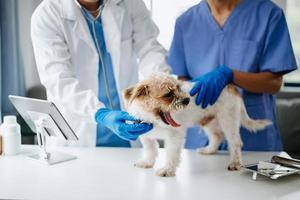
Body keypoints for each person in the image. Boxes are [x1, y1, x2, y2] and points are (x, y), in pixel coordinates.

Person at [31, 0, 170, 147]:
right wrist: (100, 114)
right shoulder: (47, 14)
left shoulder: (131, 3)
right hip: (77, 135)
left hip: (129, 133)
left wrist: (164, 84)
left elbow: (149, 49)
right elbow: (58, 79)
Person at [168, 0, 297, 151]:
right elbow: (182, 81)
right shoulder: (185, 21)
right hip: (200, 137)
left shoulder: (269, 14)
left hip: (254, 142)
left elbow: (274, 83)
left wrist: (231, 75)